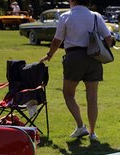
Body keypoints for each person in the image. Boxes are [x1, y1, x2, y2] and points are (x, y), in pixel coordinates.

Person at [40, 0, 113, 141]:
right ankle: (93, 133)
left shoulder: (66, 16)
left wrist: (49, 55)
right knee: (92, 98)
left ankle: (80, 126)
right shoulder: (96, 16)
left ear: (72, 1)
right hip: (94, 58)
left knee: (68, 94)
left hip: (74, 57)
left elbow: (57, 40)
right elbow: (108, 38)